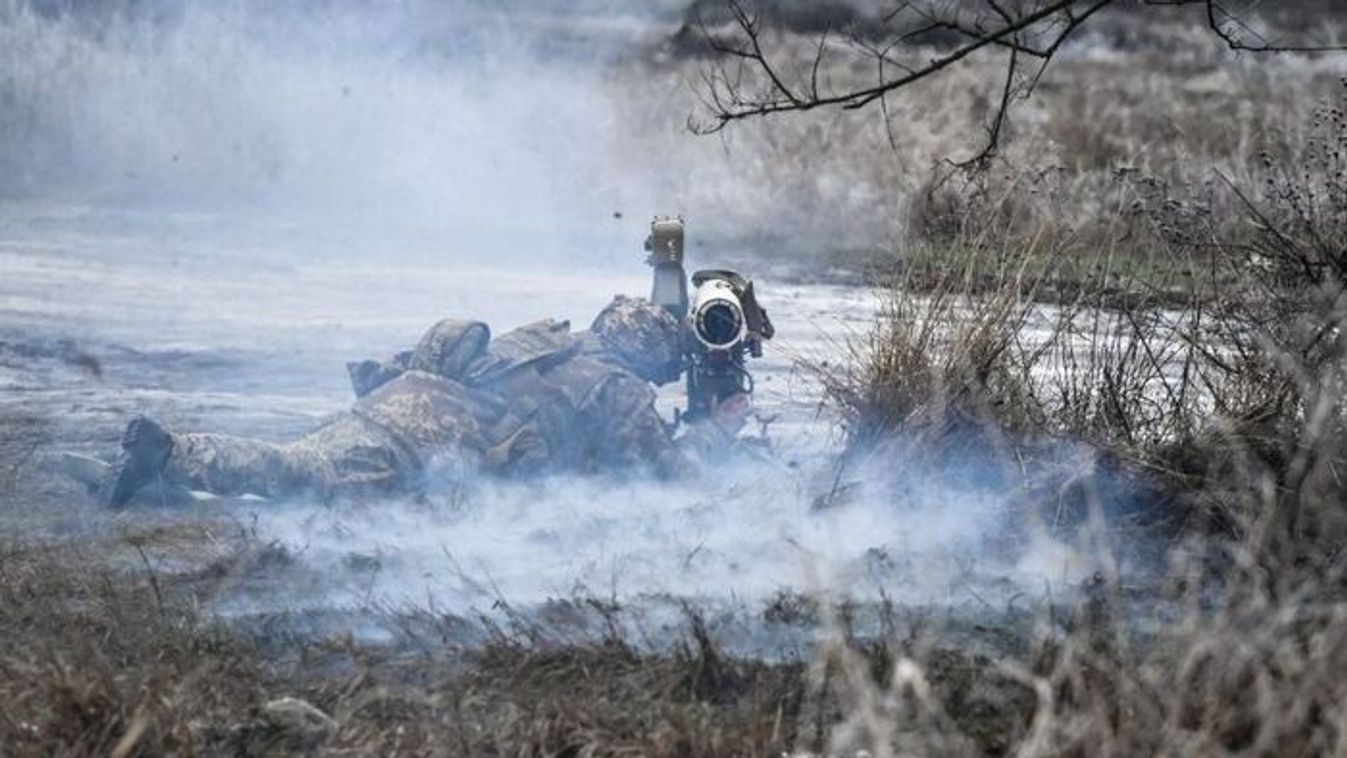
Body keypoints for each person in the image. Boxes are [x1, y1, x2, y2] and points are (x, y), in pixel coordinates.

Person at [100, 296, 751, 507]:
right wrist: (718, 430)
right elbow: (669, 479)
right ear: (648, 353)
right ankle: (172, 452)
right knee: (300, 475)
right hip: (427, 441)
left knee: (299, 465)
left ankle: (142, 477)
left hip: (397, 401)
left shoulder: (551, 340)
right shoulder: (617, 388)